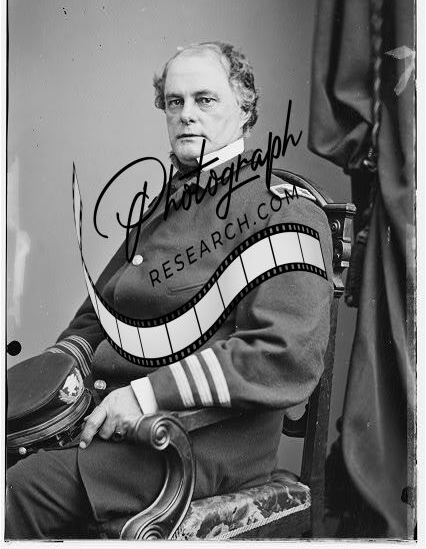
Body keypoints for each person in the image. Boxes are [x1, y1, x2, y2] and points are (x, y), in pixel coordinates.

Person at [6, 41, 334, 539]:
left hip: (189, 442)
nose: (186, 115)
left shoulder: (284, 210)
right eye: (175, 102)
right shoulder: (166, 201)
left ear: (245, 109)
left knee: (16, 492)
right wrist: (52, 382)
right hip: (104, 419)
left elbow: (282, 355)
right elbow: (100, 312)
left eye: (206, 100)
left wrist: (145, 396)